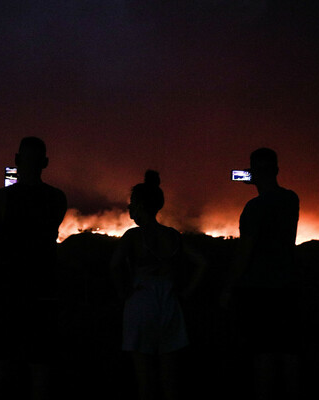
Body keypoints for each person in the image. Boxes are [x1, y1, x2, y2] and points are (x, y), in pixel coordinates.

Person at [0, 137, 67, 400]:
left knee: (0, 365)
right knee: (40, 368)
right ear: (46, 163)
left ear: (16, 161)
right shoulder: (57, 198)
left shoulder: (0, 199)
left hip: (6, 292)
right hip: (44, 292)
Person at [110, 170, 207, 400]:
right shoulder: (172, 236)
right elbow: (202, 262)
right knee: (169, 376)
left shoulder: (133, 236)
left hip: (141, 301)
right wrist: (186, 292)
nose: (130, 208)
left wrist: (123, 292)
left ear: (141, 206)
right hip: (169, 301)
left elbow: (113, 266)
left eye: (132, 203)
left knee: (144, 378)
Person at [221, 148, 301, 400]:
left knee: (262, 352)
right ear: (276, 170)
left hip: (259, 288)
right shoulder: (291, 199)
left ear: (252, 173)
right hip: (288, 285)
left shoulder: (253, 208)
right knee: (288, 351)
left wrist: (228, 287)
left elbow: (245, 251)